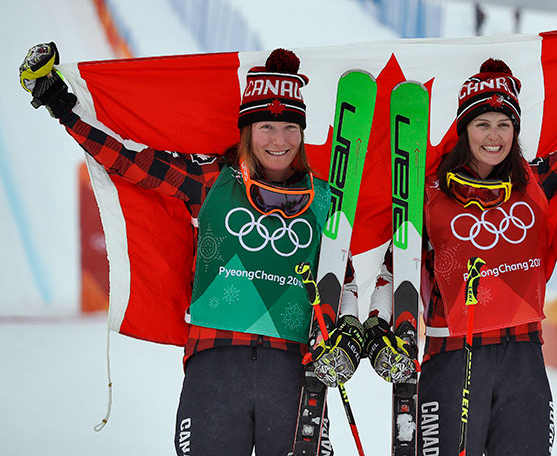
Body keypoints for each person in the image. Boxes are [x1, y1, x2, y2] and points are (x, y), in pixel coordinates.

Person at [19, 45, 366, 456]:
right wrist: (65, 111)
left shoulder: (324, 199)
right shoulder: (211, 181)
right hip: (216, 364)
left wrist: (349, 334)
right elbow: (130, 162)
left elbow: (345, 280)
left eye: (290, 127)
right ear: (247, 131)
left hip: (293, 370)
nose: (280, 140)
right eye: (266, 127)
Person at [362, 20, 557, 455]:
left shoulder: (537, 183)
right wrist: (381, 322)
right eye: (482, 124)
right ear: (463, 129)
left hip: (523, 358)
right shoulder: (427, 193)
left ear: (515, 131)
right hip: (453, 358)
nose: (494, 137)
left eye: (503, 125)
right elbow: (391, 264)